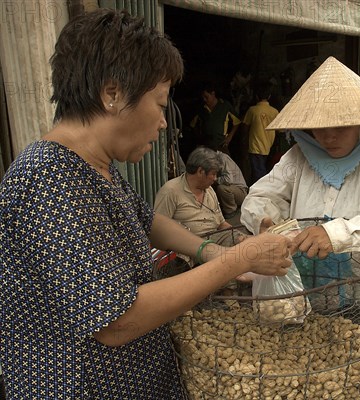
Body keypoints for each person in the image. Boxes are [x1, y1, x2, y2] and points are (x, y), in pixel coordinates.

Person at [0, 9, 292, 399]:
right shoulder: (47, 179)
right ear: (112, 93)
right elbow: (117, 322)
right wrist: (236, 261)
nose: (163, 123)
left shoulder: (95, 167)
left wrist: (208, 251)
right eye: (159, 103)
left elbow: (147, 220)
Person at [241, 56, 360, 263]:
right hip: (305, 283)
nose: (329, 137)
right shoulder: (297, 158)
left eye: (341, 126)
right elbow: (260, 197)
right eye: (319, 127)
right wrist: (266, 222)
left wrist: (339, 234)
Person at [154, 147, 236, 241]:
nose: (215, 179)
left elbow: (221, 223)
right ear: (200, 171)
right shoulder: (170, 191)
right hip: (188, 248)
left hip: (214, 240)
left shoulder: (209, 191)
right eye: (213, 174)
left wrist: (237, 235)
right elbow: (158, 230)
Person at [241, 81, 280, 184]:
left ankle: (261, 193)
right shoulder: (275, 111)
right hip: (269, 147)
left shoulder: (252, 110)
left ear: (257, 97)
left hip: (255, 147)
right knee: (263, 170)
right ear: (269, 96)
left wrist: (244, 143)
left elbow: (245, 128)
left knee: (258, 173)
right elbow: (280, 130)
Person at [189, 82, 242, 153]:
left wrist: (229, 137)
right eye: (203, 97)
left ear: (213, 94)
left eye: (206, 97)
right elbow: (193, 125)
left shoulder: (225, 106)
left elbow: (237, 122)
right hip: (206, 146)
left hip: (221, 144)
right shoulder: (201, 108)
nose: (204, 99)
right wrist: (200, 138)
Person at [215, 150, 248, 218]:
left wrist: (214, 179)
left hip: (241, 191)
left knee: (222, 188)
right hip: (234, 190)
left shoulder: (223, 158)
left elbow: (228, 180)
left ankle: (231, 210)